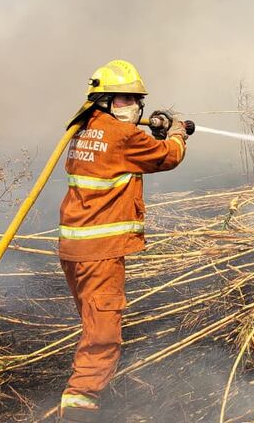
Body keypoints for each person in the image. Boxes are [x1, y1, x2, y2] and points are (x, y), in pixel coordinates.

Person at [58, 59, 187, 422]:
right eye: (122, 99)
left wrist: (153, 133)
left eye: (134, 99)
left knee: (92, 320)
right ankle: (80, 404)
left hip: (75, 249)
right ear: (102, 101)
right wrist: (177, 132)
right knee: (103, 331)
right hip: (100, 252)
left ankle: (84, 397)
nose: (129, 105)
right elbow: (167, 156)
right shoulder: (122, 136)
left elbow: (121, 155)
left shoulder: (84, 129)